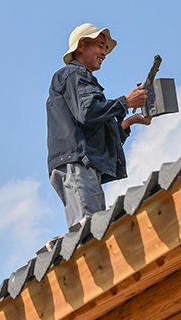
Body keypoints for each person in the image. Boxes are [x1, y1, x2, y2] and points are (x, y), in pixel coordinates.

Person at [47, 23, 151, 228]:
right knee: (90, 231)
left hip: (81, 163)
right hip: (77, 163)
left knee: (94, 228)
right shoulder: (74, 75)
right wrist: (126, 103)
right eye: (100, 45)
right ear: (81, 46)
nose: (104, 52)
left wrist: (130, 121)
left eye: (106, 48)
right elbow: (88, 112)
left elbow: (94, 128)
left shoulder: (79, 79)